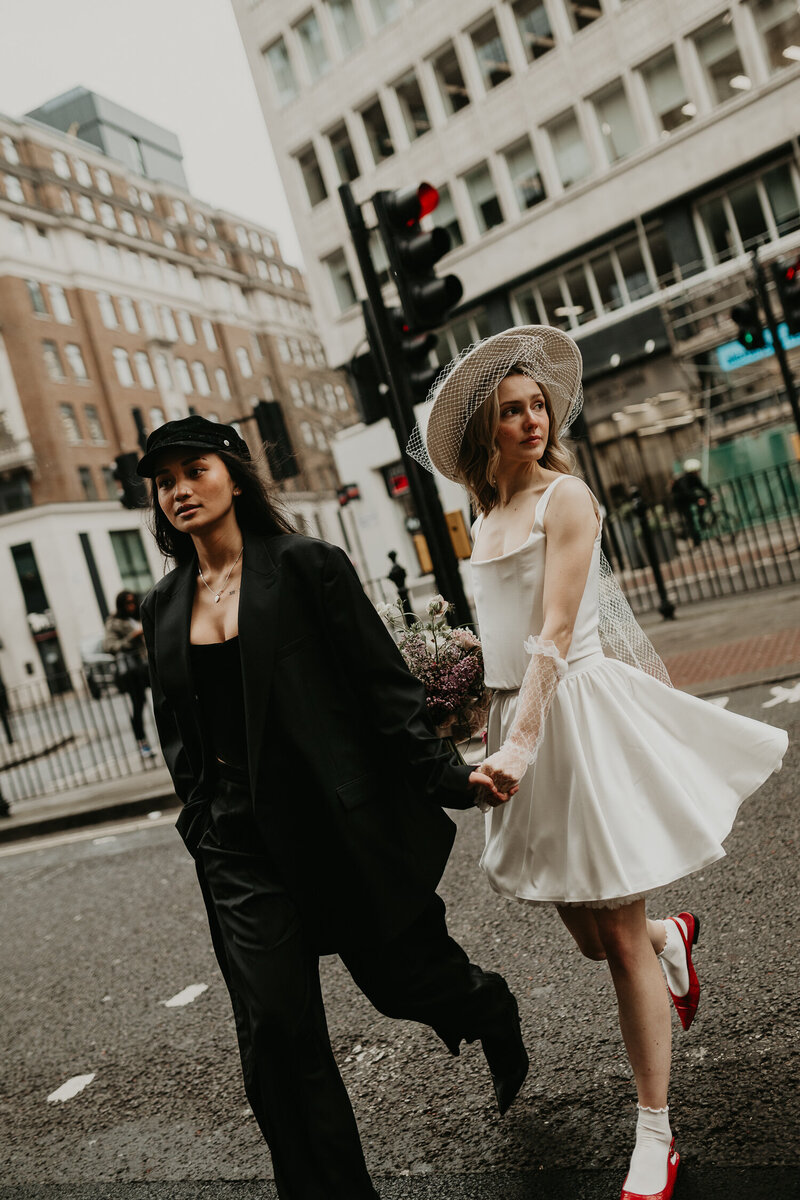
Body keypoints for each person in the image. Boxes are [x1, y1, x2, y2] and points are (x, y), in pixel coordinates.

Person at [410, 326, 788, 1200]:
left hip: (573, 718)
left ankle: (655, 1133)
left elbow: (550, 634)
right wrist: (462, 688)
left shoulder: (564, 500)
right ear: (484, 433)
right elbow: (505, 637)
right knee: (588, 933)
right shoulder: (484, 514)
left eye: (537, 405)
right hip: (516, 723)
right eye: (512, 411)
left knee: (614, 941)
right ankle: (672, 938)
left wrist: (520, 739)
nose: (531, 419)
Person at [136, 415, 528, 1200]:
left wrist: (452, 778)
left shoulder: (307, 566)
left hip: (335, 828)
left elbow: (382, 691)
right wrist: (201, 820)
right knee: (276, 1032)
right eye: (166, 479)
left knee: (405, 985)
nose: (179, 489)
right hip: (239, 851)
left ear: (235, 476)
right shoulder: (164, 604)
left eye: (195, 470)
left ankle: (487, 1006)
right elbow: (177, 729)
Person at [103, 590, 153, 757]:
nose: (131, 606)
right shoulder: (114, 623)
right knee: (138, 704)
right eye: (127, 603)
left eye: (133, 602)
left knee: (166, 698)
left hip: (148, 665)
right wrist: (133, 636)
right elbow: (110, 647)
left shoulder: (141, 614)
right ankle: (142, 743)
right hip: (132, 670)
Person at [670, 458, 712, 547]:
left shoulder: (694, 478)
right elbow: (686, 492)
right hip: (681, 501)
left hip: (689, 499)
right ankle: (695, 540)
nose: (698, 473)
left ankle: (701, 521)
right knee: (690, 520)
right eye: (696, 471)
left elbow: (702, 487)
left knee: (702, 505)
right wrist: (697, 499)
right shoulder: (684, 480)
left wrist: (710, 495)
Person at [387, 549, 411, 621]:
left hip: (402, 590)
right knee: (406, 608)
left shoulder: (395, 568)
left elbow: (391, 576)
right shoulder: (397, 567)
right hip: (402, 590)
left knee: (407, 609)